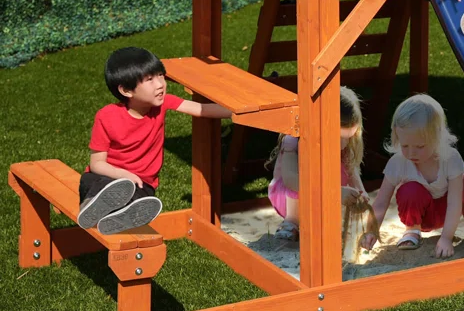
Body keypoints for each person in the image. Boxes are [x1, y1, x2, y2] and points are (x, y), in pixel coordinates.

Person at [78, 47, 231, 235]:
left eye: (160, 75)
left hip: (141, 184)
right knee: (98, 183)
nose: (160, 84)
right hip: (104, 178)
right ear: (126, 90)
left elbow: (202, 109)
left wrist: (238, 112)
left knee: (140, 200)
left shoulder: (163, 103)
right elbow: (97, 164)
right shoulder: (106, 116)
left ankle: (116, 216)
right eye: (150, 80)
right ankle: (95, 206)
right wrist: (122, 175)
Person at [363, 94, 464, 257]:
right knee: (409, 189)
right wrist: (371, 231)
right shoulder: (398, 162)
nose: (411, 152)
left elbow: (455, 202)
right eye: (405, 145)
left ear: (437, 138)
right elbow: (381, 203)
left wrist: (446, 238)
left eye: (419, 146)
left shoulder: (450, 158)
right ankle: (412, 231)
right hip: (421, 216)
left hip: (449, 211)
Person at [266, 86, 369, 241]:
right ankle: (291, 222)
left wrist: (361, 192)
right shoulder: (294, 141)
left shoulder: (344, 146)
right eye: (338, 137)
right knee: (301, 177)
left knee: (343, 165)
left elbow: (352, 170)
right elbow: (290, 179)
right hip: (290, 199)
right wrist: (333, 191)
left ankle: (323, 220)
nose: (343, 144)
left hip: (323, 195)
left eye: (348, 137)